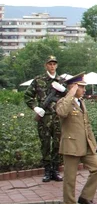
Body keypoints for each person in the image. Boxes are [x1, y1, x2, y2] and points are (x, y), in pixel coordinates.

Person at [56, 73, 97, 204]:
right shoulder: (64, 102)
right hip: (71, 145)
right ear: (73, 87)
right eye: (81, 87)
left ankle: (85, 197)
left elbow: (86, 124)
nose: (84, 90)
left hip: (85, 144)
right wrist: (69, 94)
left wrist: (93, 141)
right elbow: (61, 113)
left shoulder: (80, 102)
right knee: (70, 179)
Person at [24, 55, 65, 183]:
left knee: (58, 144)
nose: (52, 66)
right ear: (46, 65)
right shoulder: (38, 80)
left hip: (58, 117)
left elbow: (69, 97)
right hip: (44, 118)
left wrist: (64, 90)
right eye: (50, 64)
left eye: (54, 64)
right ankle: (47, 171)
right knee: (45, 144)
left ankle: (56, 170)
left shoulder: (61, 80)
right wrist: (35, 108)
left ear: (56, 65)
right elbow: (28, 96)